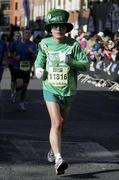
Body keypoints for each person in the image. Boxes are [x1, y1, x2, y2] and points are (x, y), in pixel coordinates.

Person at [35, 9, 89, 175]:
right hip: (50, 88)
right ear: (50, 29)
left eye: (62, 26)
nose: (59, 28)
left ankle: (53, 149)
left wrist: (71, 61)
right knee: (57, 122)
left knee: (62, 124)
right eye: (55, 26)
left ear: (66, 29)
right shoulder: (44, 43)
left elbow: (85, 65)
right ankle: (59, 158)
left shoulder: (73, 45)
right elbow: (40, 60)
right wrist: (38, 68)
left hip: (69, 89)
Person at [11, 28, 37, 111]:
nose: (27, 34)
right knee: (19, 84)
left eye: (29, 33)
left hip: (27, 68)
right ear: (22, 34)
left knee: (25, 88)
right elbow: (10, 52)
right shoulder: (16, 43)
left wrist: (32, 53)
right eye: (26, 33)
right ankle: (15, 92)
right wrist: (15, 57)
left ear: (31, 35)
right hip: (17, 66)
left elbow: (35, 57)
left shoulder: (33, 45)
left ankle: (22, 103)